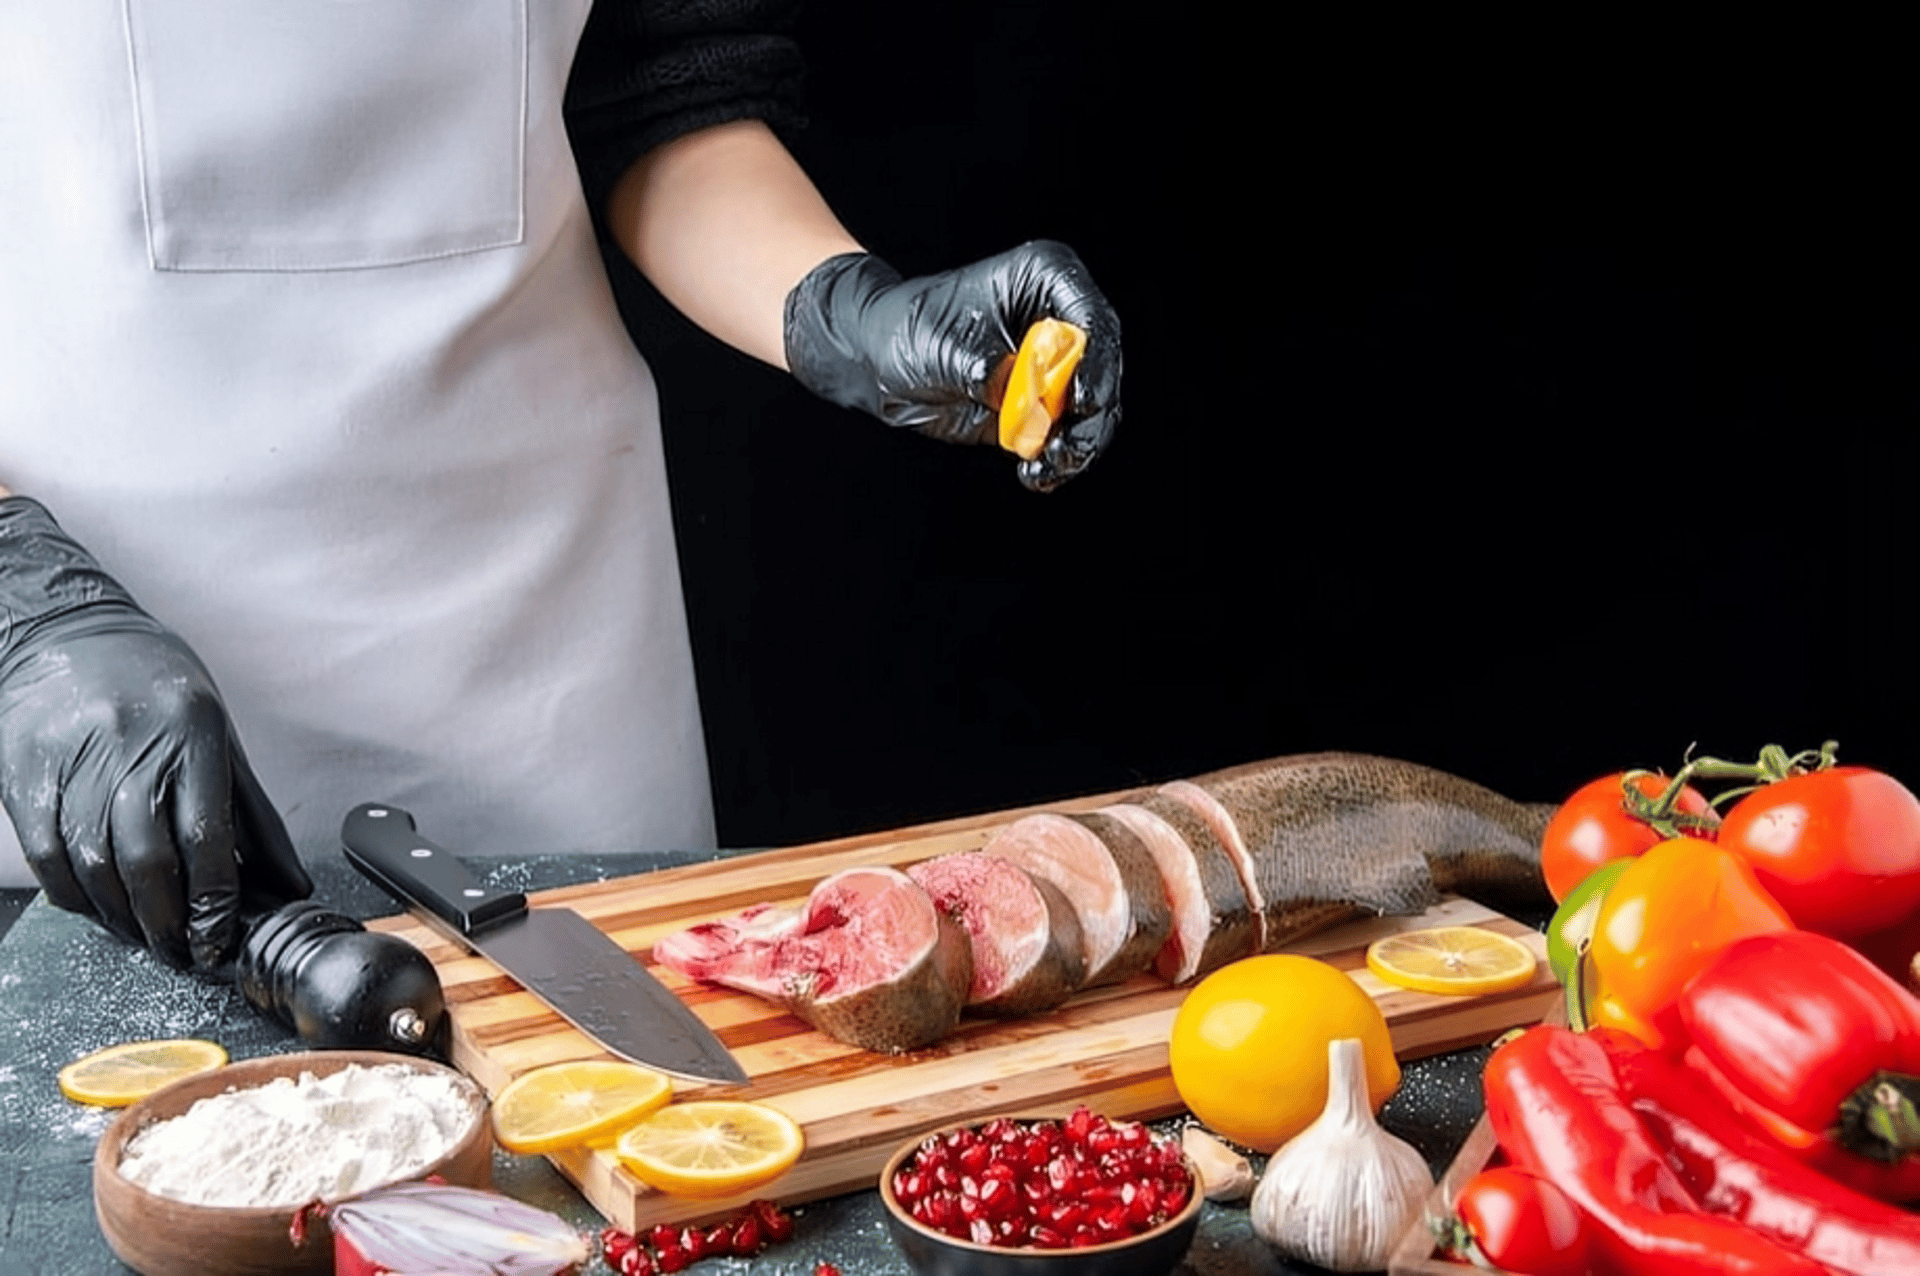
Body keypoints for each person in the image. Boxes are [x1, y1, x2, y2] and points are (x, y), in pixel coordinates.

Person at [0, 2, 1120, 972]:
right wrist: (25, 613)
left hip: (545, 653)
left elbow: (661, 77)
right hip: (96, 695)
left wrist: (842, 310)